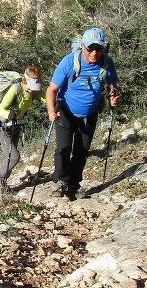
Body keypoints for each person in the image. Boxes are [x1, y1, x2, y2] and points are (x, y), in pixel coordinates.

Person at [44, 28, 120, 199]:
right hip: (65, 111)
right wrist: (51, 111)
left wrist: (114, 98)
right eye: (90, 49)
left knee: (81, 151)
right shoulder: (69, 62)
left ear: (103, 48)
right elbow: (51, 90)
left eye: (98, 49)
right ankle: (62, 182)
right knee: (63, 149)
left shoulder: (107, 63)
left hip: (90, 113)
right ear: (83, 46)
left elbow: (113, 87)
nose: (94, 53)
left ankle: (73, 184)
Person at [0, 66, 43, 193]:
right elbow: (0, 109)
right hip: (3, 126)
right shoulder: (15, 89)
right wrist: (9, 114)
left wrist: (54, 102)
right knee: (14, 157)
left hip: (16, 126)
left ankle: (0, 187)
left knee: (8, 156)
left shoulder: (33, 90)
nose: (32, 91)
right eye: (31, 87)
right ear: (24, 81)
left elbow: (45, 97)